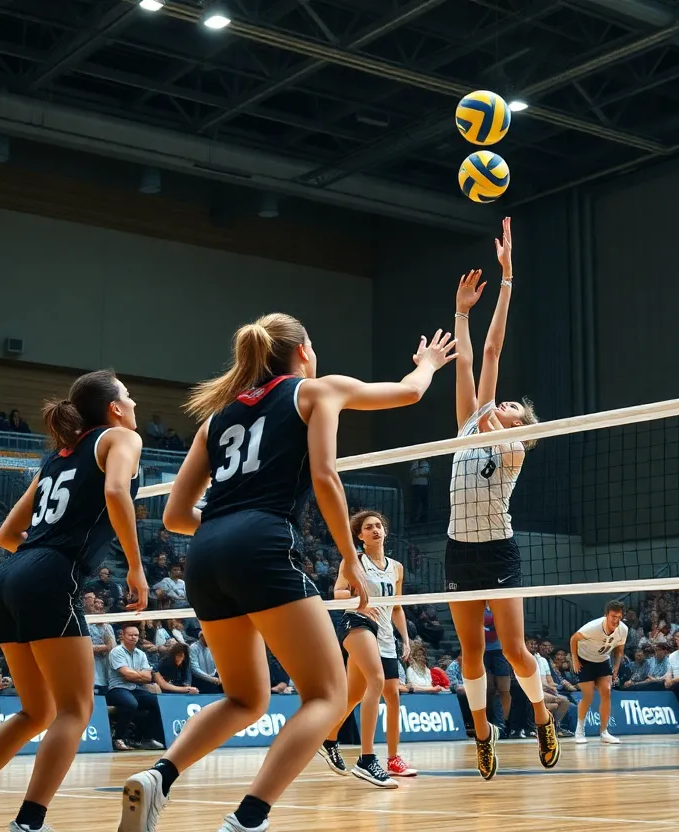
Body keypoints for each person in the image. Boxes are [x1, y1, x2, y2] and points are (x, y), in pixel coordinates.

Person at [118, 314, 456, 832]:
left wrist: (229, 526)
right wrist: (429, 364)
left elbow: (173, 516)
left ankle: (160, 774)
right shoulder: (315, 391)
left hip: (206, 554)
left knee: (245, 698)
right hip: (263, 544)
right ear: (302, 351)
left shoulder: (217, 419)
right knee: (326, 694)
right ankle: (248, 818)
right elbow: (337, 463)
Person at [0, 370, 148, 832]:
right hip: (51, 574)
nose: (134, 400)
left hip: (11, 576)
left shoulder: (55, 459)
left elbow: (6, 535)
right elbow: (117, 491)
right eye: (127, 394)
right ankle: (29, 822)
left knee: (35, 710)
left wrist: (40, 557)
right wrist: (136, 568)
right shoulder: (120, 439)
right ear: (114, 409)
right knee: (75, 710)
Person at [445, 218, 558, 781]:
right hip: (457, 548)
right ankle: (482, 733)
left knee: (513, 651)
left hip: (498, 550)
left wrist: (508, 277)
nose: (505, 403)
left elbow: (491, 352)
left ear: (521, 425)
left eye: (513, 405)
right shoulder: (471, 422)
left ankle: (540, 714)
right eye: (504, 402)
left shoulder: (510, 444)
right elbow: (470, 360)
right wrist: (460, 311)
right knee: (469, 653)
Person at [317, 510, 414, 788]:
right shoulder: (353, 562)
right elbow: (338, 592)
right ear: (360, 536)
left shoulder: (396, 567)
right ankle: (367, 759)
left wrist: (405, 638)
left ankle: (328, 737)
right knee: (376, 681)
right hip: (356, 621)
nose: (375, 530)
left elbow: (396, 605)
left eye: (379, 526)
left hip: (383, 633)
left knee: (355, 694)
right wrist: (362, 599)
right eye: (369, 527)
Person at [569, 601, 627, 744]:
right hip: (584, 659)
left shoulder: (623, 629)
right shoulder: (593, 628)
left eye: (619, 617)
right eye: (613, 616)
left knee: (606, 691)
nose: (616, 620)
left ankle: (604, 732)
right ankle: (579, 730)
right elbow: (573, 639)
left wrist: (616, 667)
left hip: (602, 660)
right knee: (588, 695)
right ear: (606, 615)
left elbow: (619, 650)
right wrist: (575, 659)